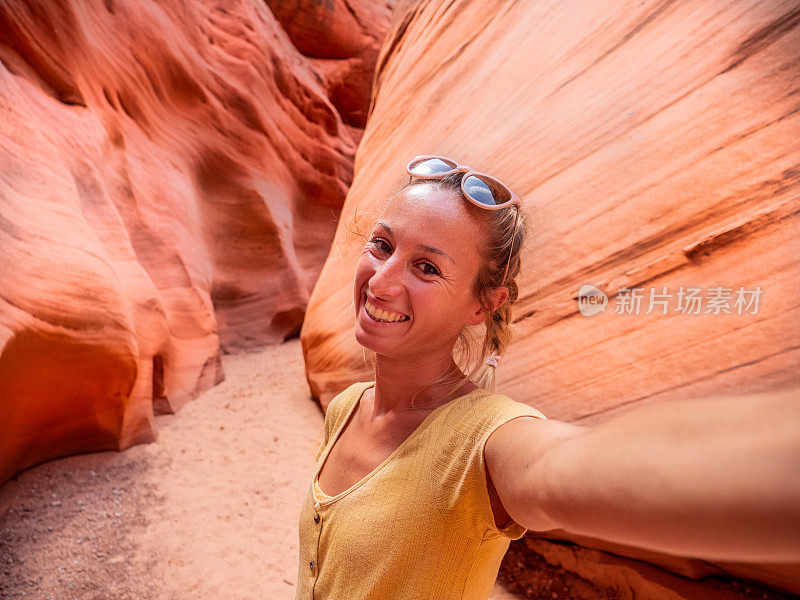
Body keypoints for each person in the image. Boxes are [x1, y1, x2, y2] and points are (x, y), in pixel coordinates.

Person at [294, 155, 800, 600]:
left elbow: (564, 467)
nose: (381, 281)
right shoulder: (348, 407)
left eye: (426, 267)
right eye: (381, 245)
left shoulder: (487, 444)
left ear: (483, 305)